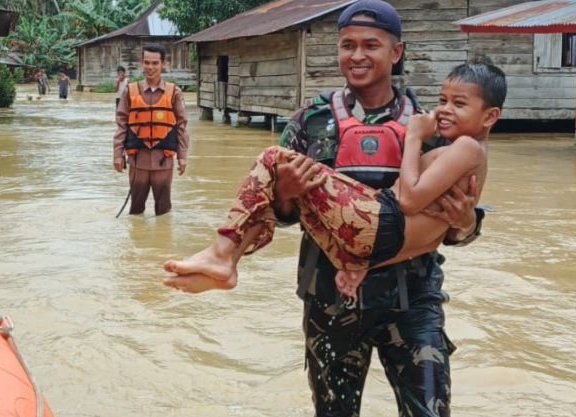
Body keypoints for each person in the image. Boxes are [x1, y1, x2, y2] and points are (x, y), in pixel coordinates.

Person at [172, 0, 478, 417]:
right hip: (330, 298)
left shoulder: (434, 124)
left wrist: (467, 223)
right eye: (347, 45)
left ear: (396, 52)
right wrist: (287, 196)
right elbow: (280, 213)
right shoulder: (310, 121)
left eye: (370, 45)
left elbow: (459, 224)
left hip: (412, 296)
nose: (357, 55)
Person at [163, 61, 503, 296]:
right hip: (366, 250)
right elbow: (426, 235)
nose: (444, 109)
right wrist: (363, 263)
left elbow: (409, 203)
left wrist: (413, 137)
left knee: (272, 158)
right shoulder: (312, 117)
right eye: (442, 100)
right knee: (279, 183)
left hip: (390, 252)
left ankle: (224, 254)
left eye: (458, 103)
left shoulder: (459, 145)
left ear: (395, 53)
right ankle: (226, 262)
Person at [114, 44, 189, 216]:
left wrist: (182, 156)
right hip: (137, 160)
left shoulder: (174, 92)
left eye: (155, 63)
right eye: (146, 62)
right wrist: (118, 154)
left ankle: (162, 234)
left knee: (163, 210)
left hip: (164, 160)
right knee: (136, 209)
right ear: (142, 63)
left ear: (163, 64)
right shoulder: (130, 91)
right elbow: (121, 124)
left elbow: (182, 125)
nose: (150, 67)